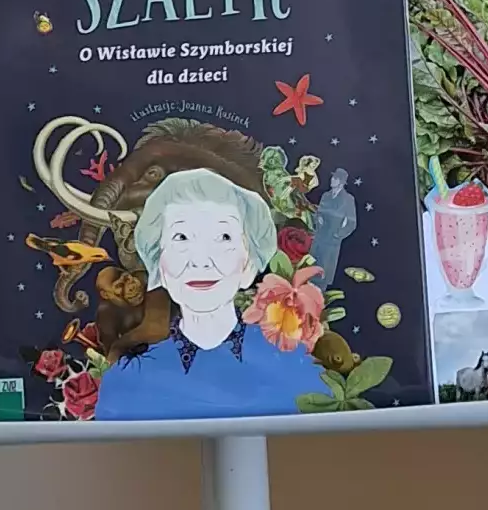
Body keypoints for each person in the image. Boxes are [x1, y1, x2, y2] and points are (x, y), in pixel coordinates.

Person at [90, 168, 319, 422]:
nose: (200, 260)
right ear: (158, 264)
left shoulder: (295, 367)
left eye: (223, 237)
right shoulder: (125, 383)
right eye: (181, 237)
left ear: (249, 265)